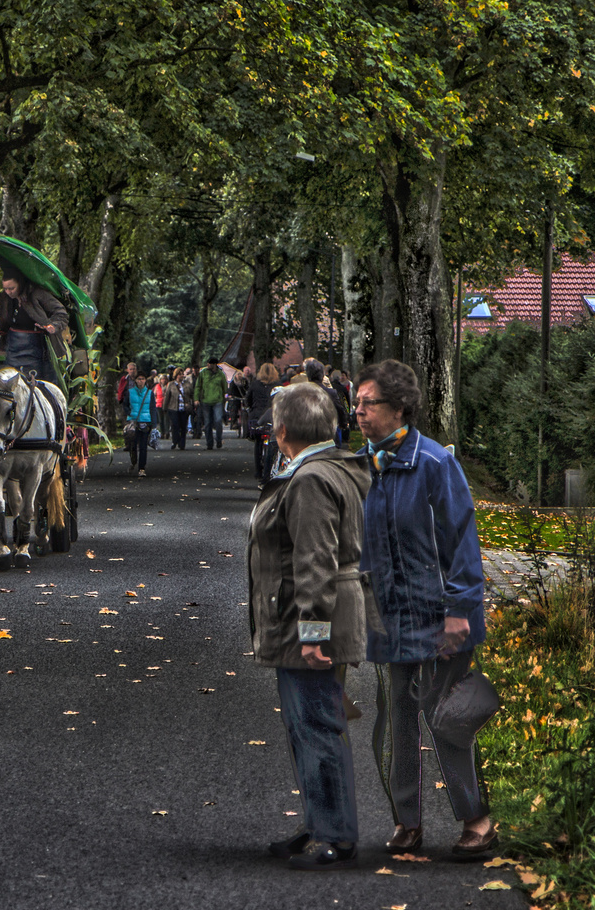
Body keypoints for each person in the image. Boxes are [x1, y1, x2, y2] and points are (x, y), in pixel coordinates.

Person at [354, 359, 496, 860]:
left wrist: (460, 609)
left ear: (399, 407)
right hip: (390, 618)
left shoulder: (435, 464)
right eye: (356, 403)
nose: (359, 412)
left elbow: (462, 543)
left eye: (367, 403)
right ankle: (407, 823)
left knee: (445, 719)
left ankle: (478, 820)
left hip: (440, 618)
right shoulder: (364, 467)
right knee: (396, 722)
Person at [249, 383, 372, 870]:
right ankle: (320, 822)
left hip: (313, 624)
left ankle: (336, 834)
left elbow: (315, 560)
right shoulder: (331, 468)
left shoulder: (310, 480)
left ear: (282, 433)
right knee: (310, 725)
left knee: (317, 726)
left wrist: (314, 633)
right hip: (316, 617)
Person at [0, 267, 70, 387]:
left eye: (11, 288)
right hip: (13, 352)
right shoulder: (6, 299)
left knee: (39, 387)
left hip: (38, 353)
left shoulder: (37, 294)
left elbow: (61, 313)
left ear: (20, 284)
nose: (8, 292)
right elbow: (7, 322)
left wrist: (53, 326)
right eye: (5, 289)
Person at [247, 361, 278, 483]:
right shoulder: (277, 385)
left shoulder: (255, 385)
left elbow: (248, 399)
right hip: (273, 415)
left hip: (257, 416)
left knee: (258, 443)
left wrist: (251, 408)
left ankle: (258, 471)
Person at [125, 370, 155, 476]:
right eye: (139, 379)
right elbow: (125, 405)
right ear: (135, 380)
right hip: (133, 422)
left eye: (142, 379)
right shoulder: (130, 392)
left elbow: (153, 408)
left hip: (146, 422)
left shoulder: (150, 393)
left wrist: (154, 424)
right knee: (132, 445)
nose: (141, 381)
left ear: (145, 380)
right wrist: (129, 413)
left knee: (143, 446)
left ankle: (142, 468)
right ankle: (134, 462)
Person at [196, 357, 226, 450]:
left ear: (214, 365)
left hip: (217, 401)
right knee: (207, 423)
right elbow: (198, 386)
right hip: (205, 401)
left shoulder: (221, 374)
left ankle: (219, 439)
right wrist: (196, 399)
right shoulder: (203, 373)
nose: (207, 365)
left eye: (209, 363)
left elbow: (224, 387)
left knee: (218, 420)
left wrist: (224, 396)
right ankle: (209, 442)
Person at [164, 366, 190, 450]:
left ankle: (182, 443)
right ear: (176, 375)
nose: (181, 376)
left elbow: (191, 395)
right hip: (173, 408)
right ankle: (175, 441)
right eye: (179, 374)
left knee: (183, 426)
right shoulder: (171, 384)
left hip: (183, 408)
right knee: (175, 425)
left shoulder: (187, 384)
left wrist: (190, 404)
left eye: (182, 374)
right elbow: (167, 396)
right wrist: (165, 407)